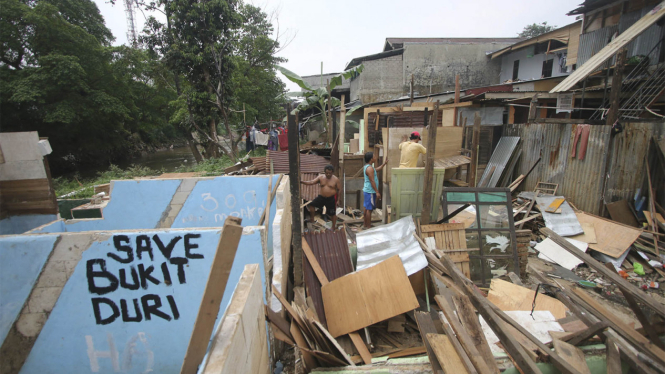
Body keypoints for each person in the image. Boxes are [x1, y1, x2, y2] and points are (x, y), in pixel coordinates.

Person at [301, 165, 341, 229]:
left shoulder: (336, 179)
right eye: (327, 173)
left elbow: (339, 190)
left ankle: (333, 226)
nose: (328, 174)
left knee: (332, 213)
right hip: (321, 197)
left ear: (332, 172)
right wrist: (302, 182)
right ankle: (312, 219)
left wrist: (338, 200)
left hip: (330, 199)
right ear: (324, 172)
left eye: (329, 173)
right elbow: (312, 182)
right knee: (312, 205)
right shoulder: (321, 177)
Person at [363, 152, 388, 229]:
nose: (375, 157)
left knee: (366, 208)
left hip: (367, 191)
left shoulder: (369, 167)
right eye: (374, 156)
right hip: (370, 191)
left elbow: (376, 169)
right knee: (369, 210)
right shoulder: (369, 168)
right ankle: (368, 226)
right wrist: (377, 191)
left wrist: (384, 164)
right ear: (371, 159)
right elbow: (372, 181)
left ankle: (365, 224)